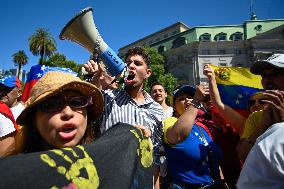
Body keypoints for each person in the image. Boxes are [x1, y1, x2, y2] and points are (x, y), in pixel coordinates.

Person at [84, 46, 164, 188]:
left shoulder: (157, 109)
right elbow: (85, 112)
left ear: (148, 73)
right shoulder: (107, 98)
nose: (131, 66)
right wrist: (95, 79)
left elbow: (155, 154)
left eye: (137, 63)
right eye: (127, 63)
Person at [16, 71, 104, 153]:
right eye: (52, 105)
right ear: (34, 120)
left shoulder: (105, 158)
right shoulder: (15, 168)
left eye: (77, 102)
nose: (68, 113)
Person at [163, 84, 223, 188]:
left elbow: (214, 157)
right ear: (174, 107)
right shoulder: (170, 122)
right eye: (181, 99)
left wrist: (222, 182)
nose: (187, 100)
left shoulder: (202, 127)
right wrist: (195, 101)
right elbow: (177, 135)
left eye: (190, 97)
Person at [235, 53, 284, 161]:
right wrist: (262, 126)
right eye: (264, 76)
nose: (267, 80)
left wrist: (280, 124)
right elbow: (242, 155)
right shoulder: (256, 118)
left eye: (275, 74)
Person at [0, 75, 24, 156]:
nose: (1, 92)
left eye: (7, 89)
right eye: (0, 89)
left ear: (19, 93)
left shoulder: (26, 113)